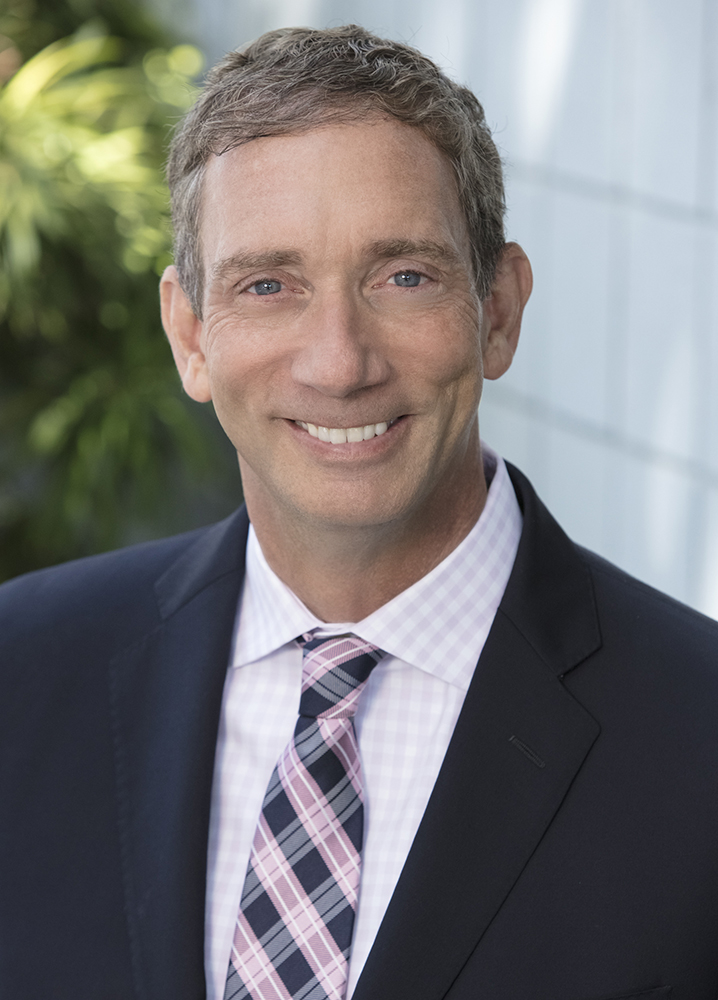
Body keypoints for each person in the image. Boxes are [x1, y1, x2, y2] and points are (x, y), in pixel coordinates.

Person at [1, 23, 718, 1000]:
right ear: (189, 335)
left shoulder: (697, 739)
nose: (338, 361)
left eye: (403, 277)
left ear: (498, 310)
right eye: (268, 284)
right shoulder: (23, 673)